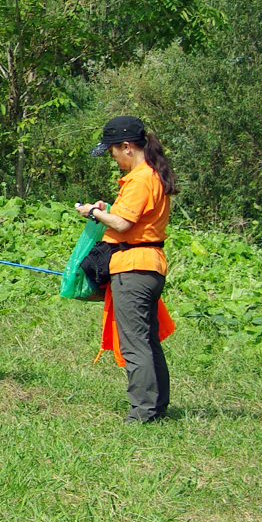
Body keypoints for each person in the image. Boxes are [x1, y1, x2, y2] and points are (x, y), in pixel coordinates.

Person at [78, 115, 176, 423]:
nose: (112, 157)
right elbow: (128, 217)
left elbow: (122, 223)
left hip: (133, 267)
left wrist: (93, 212)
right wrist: (108, 210)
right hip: (149, 265)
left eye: (112, 151)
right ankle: (156, 407)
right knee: (147, 340)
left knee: (134, 343)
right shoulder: (152, 175)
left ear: (127, 147)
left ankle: (142, 413)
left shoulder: (140, 178)